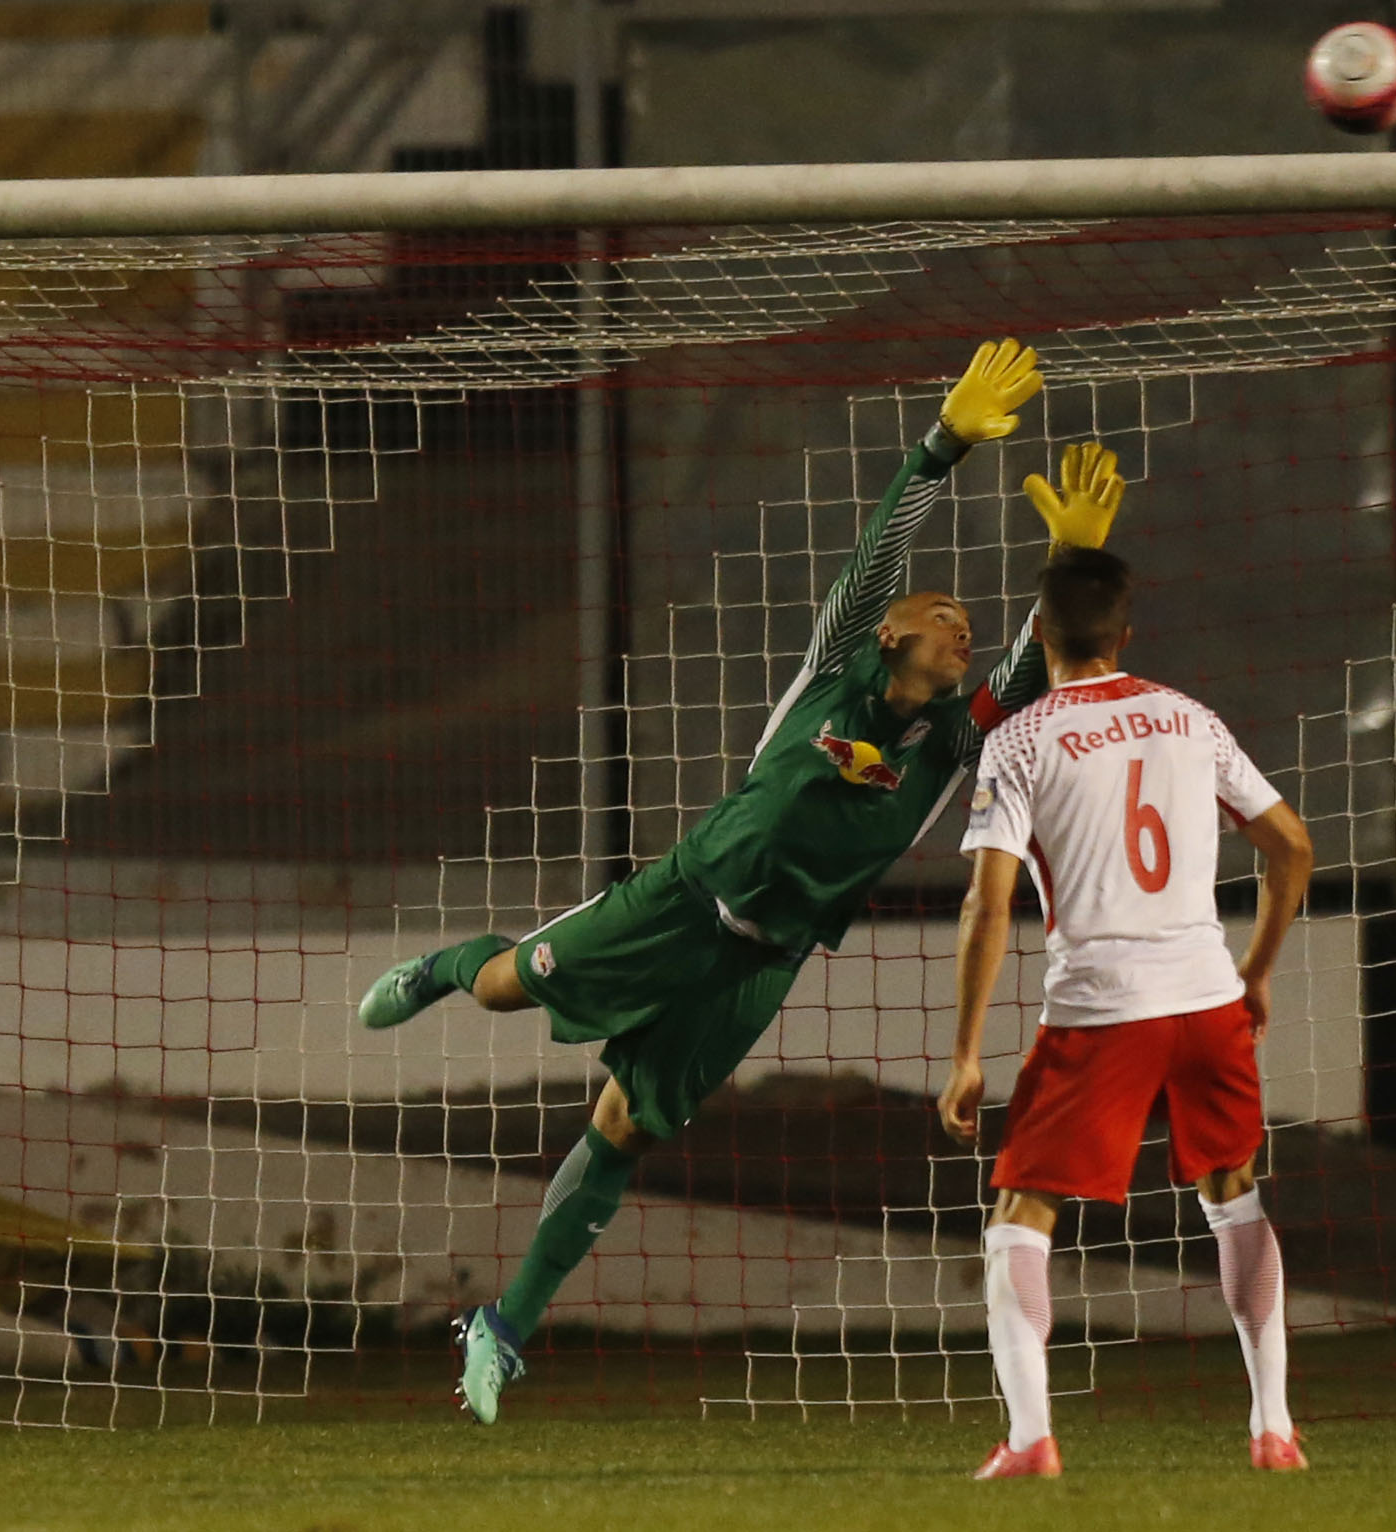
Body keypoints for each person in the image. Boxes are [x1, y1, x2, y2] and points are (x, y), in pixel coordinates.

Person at [355, 339, 1130, 1424]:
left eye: (970, 624)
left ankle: (503, 1328)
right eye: (944, 614)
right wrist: (944, 441)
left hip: (756, 964)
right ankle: (446, 964)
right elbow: (875, 554)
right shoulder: (835, 669)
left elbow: (1035, 669)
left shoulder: (953, 741)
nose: (963, 628)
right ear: (894, 631)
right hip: (678, 900)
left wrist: (1069, 566)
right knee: (500, 991)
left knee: (625, 1126)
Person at [937, 545, 1316, 1479]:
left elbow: (988, 903)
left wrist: (965, 1053)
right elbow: (1293, 847)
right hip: (1205, 1000)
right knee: (1234, 1194)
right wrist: (1257, 970)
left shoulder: (1020, 739)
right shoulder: (1189, 717)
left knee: (1021, 1212)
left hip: (1101, 1010)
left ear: (1042, 635)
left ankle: (1031, 1442)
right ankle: (1274, 1430)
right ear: (1124, 633)